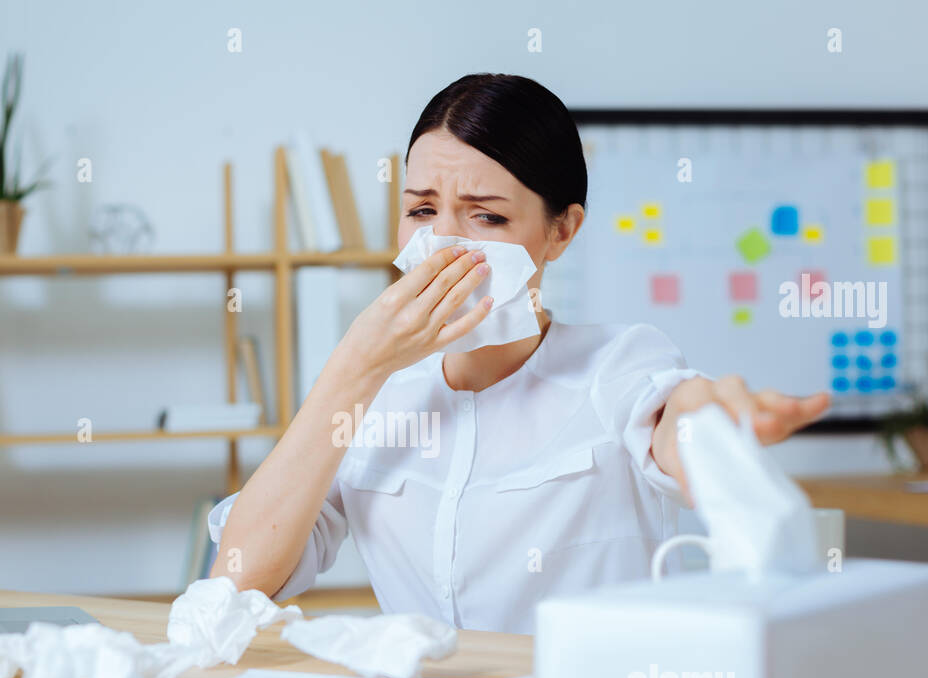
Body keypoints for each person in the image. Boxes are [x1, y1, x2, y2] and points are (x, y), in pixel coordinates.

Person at [209, 73, 829, 635]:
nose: (445, 243)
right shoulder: (377, 397)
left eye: (486, 217)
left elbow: (671, 415)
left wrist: (707, 428)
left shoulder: (617, 363)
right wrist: (354, 368)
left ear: (561, 231)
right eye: (422, 210)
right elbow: (235, 588)